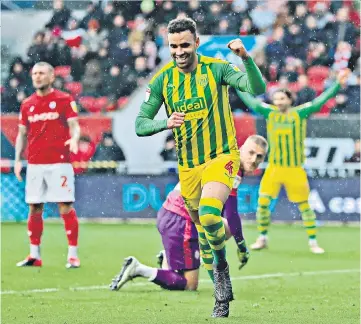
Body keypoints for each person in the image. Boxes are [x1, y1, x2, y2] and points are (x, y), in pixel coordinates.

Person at [135, 18, 266, 317]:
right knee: (205, 229)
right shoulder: (163, 80)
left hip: (221, 156)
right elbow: (140, 124)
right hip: (189, 167)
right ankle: (219, 270)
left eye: (185, 44)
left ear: (196, 42)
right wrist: (163, 123)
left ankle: (221, 275)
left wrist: (245, 59)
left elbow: (255, 88)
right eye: (173, 46)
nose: (180, 51)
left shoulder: (216, 68)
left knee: (209, 215)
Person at [109, 135, 268, 292]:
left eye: (259, 156)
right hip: (181, 220)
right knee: (189, 285)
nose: (254, 159)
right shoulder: (232, 168)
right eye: (251, 153)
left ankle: (171, 257)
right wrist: (242, 248)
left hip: (173, 212)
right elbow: (232, 214)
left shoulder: (225, 157)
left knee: (224, 228)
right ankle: (138, 268)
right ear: (241, 149)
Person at [236, 69, 350, 254]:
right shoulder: (269, 112)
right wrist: (237, 84)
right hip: (274, 168)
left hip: (295, 169)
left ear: (290, 100)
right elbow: (250, 101)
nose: (279, 101)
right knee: (263, 203)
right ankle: (262, 237)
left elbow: (321, 100)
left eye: (282, 98)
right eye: (276, 98)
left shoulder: (300, 113)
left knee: (305, 206)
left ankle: (313, 242)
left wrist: (337, 83)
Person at [14, 62, 81, 269]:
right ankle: (34, 255)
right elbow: (22, 134)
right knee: (34, 207)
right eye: (34, 73)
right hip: (35, 164)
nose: (37, 76)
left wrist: (75, 139)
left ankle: (72, 255)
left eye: (42, 73)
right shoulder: (27, 104)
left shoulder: (64, 99)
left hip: (59, 163)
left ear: (52, 77)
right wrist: (17, 160)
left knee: (65, 205)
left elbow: (74, 126)